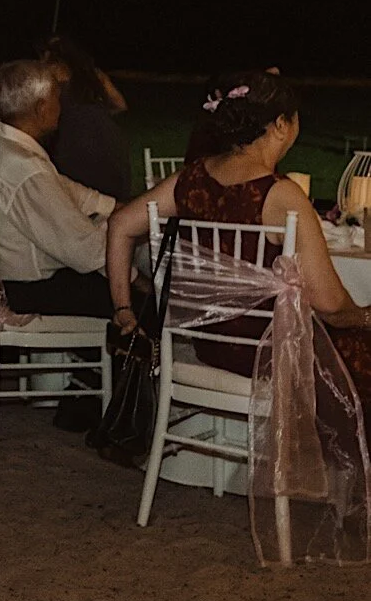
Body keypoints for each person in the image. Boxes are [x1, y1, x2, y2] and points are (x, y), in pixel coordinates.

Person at [107, 70, 371, 397]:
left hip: (207, 344)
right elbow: (329, 303)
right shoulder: (281, 195)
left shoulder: (189, 180)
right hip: (266, 353)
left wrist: (123, 310)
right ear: (281, 125)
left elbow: (119, 224)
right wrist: (363, 316)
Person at [0, 60, 116, 318]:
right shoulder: (24, 166)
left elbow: (64, 188)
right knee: (139, 297)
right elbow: (85, 250)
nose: (61, 106)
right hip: (28, 292)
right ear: (42, 108)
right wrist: (134, 271)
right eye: (57, 97)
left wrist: (112, 207)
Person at [38, 35, 130, 201]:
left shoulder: (49, 76)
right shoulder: (93, 74)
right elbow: (120, 105)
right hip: (108, 142)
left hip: (74, 145)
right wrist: (96, 114)